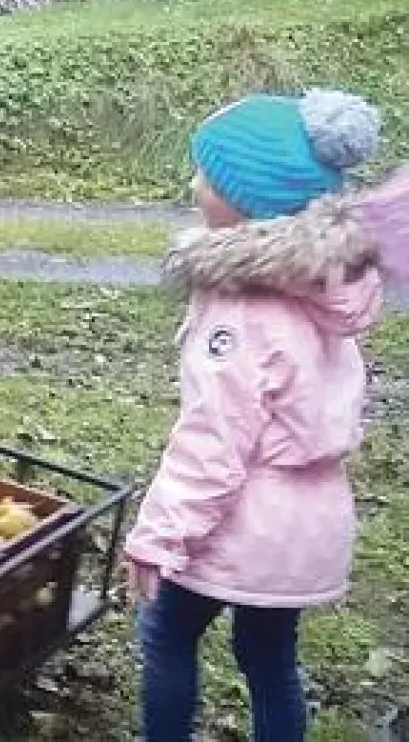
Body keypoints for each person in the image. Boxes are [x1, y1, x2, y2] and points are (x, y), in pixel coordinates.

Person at [126, 90, 384, 742]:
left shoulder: (242, 307)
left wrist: (159, 538)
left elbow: (214, 443)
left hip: (249, 525)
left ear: (248, 202)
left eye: (207, 175)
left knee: (163, 633)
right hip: (308, 530)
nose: (193, 183)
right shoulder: (326, 283)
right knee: (269, 657)